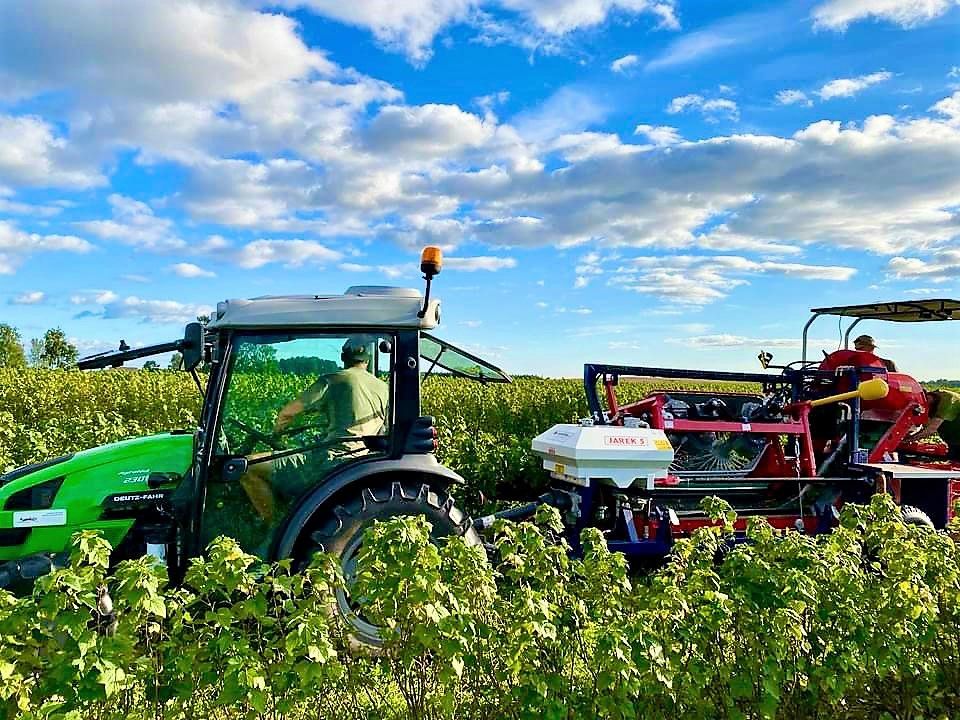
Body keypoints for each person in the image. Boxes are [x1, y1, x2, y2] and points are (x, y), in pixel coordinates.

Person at [240, 337, 389, 522]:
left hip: (331, 460)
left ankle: (272, 528)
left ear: (344, 357)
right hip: (362, 461)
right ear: (367, 360)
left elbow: (287, 413)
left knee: (248, 467)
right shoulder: (385, 388)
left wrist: (278, 434)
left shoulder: (333, 380)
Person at [906, 388, 960, 458]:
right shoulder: (929, 403)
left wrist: (908, 440)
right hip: (952, 439)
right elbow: (922, 425)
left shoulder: (947, 400)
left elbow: (930, 429)